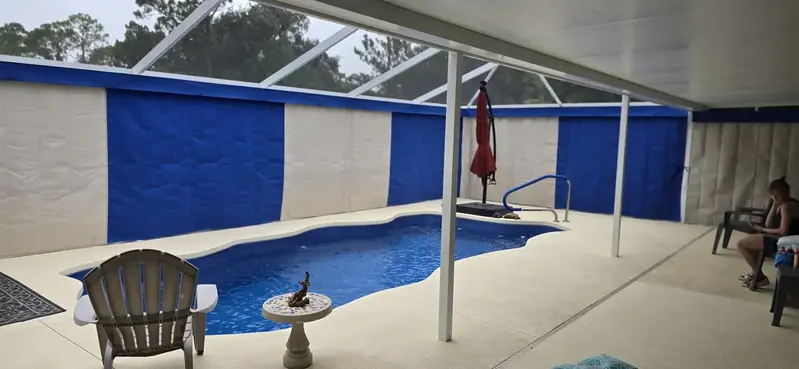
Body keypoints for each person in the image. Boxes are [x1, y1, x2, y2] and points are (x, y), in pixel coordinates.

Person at [737, 177, 799, 288]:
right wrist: (774, 207)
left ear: (784, 193)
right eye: (772, 195)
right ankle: (756, 273)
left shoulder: (786, 206)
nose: (774, 197)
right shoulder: (785, 204)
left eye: (777, 195)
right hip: (786, 240)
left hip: (784, 243)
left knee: (741, 244)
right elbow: (769, 224)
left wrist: (762, 230)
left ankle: (759, 276)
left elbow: (783, 231)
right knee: (752, 242)